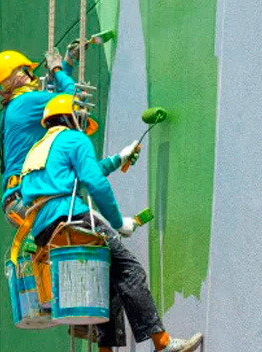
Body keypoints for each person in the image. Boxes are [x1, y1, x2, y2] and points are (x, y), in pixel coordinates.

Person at [20, 94, 203, 352]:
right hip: (70, 218)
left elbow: (81, 173)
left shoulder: (40, 148)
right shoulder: (74, 138)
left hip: (44, 231)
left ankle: (105, 350)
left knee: (103, 280)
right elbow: (94, 183)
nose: (84, 128)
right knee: (130, 270)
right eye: (82, 121)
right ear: (74, 116)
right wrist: (118, 223)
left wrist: (119, 158)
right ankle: (162, 343)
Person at [0, 47, 82, 229]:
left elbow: (55, 102)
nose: (31, 75)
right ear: (19, 75)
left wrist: (68, 63)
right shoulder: (28, 102)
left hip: (15, 201)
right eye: (28, 71)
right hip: (30, 197)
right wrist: (57, 69)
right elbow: (72, 99)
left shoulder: (12, 108)